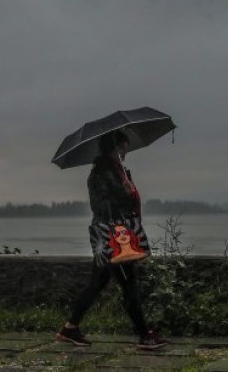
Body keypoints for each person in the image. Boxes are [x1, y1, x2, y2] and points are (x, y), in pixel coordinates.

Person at [56, 129, 168, 350]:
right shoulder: (101, 174)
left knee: (99, 282)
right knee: (128, 284)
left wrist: (126, 188)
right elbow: (102, 207)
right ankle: (144, 335)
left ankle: (70, 328)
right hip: (113, 236)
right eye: (124, 148)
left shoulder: (116, 171)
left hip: (109, 235)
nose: (125, 153)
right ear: (115, 148)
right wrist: (124, 192)